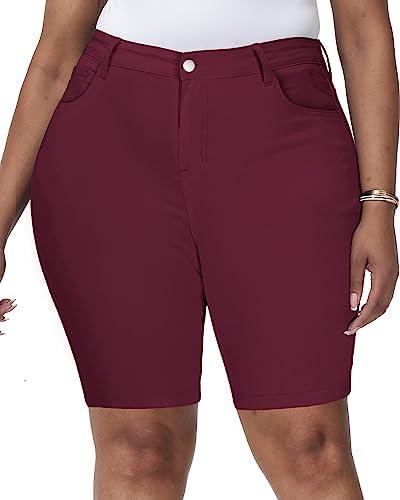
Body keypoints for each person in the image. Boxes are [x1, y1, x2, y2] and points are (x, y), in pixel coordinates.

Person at [0, 0, 398, 498]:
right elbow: (56, 54)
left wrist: (379, 202)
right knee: (138, 450)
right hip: (112, 137)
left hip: (283, 140)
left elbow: (363, 32)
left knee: (310, 447)